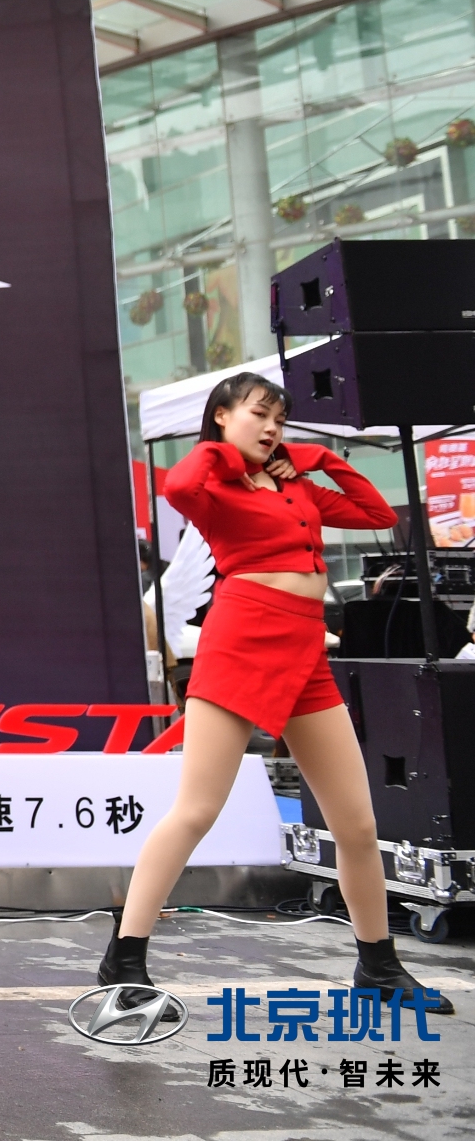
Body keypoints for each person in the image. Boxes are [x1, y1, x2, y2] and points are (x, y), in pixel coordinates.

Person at [107, 372, 450, 1010]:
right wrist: (228, 453)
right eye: (258, 414)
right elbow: (178, 484)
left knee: (356, 823)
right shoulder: (213, 484)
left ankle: (377, 965)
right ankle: (124, 959)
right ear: (221, 416)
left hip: (305, 653)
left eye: (279, 420)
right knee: (196, 810)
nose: (271, 428)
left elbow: (376, 515)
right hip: (240, 645)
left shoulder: (297, 485)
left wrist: (318, 459)